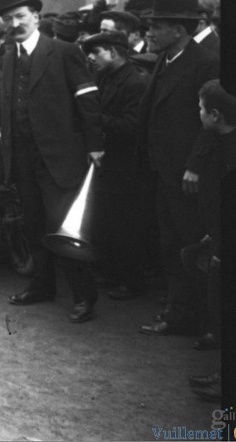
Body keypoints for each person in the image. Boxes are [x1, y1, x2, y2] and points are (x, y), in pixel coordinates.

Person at [0, 0, 103, 323]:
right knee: (34, 224)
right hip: (23, 156)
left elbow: (87, 100)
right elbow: (15, 101)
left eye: (21, 17)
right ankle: (42, 286)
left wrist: (95, 144)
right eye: (9, 19)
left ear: (36, 18)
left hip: (59, 155)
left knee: (65, 227)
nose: (15, 24)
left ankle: (84, 297)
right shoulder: (10, 56)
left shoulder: (64, 51)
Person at [136, 0, 219, 336]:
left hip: (188, 175)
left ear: (179, 30)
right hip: (163, 171)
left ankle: (205, 320)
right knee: (171, 244)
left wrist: (195, 165)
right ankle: (180, 311)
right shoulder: (165, 59)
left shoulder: (206, 63)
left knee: (191, 246)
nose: (149, 34)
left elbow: (215, 123)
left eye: (157, 27)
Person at [80, 30, 154, 301]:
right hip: (108, 164)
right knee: (107, 221)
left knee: (127, 225)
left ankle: (132, 281)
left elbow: (133, 127)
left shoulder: (135, 83)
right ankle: (112, 272)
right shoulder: (103, 77)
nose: (91, 57)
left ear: (114, 51)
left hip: (127, 167)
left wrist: (96, 120)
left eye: (97, 52)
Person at [184, 80, 236, 402]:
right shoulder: (223, 138)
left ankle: (228, 380)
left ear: (215, 115)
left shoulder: (233, 151)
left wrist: (223, 245)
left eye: (202, 109)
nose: (199, 114)